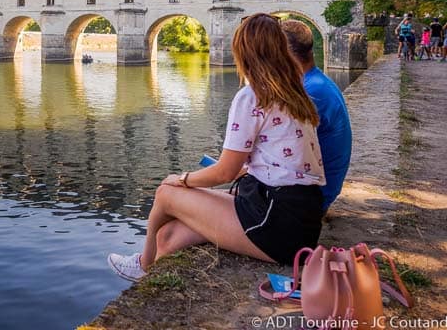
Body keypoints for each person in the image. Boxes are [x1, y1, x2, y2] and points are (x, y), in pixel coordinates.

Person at [107, 14, 325, 281]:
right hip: (300, 217)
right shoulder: (296, 93)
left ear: (243, 53)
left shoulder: (252, 96)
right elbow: (255, 164)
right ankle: (153, 269)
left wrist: (183, 180)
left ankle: (142, 264)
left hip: (276, 223)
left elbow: (225, 173)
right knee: (169, 235)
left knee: (165, 192)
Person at [280, 20, 352, 212]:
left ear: (284, 52)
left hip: (313, 196)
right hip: (318, 188)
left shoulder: (311, 91)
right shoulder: (316, 81)